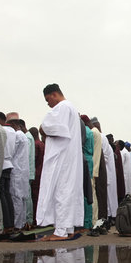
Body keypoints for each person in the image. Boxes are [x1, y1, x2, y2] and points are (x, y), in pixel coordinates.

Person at [37, 83, 84, 241]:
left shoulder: (62, 107)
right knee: (68, 191)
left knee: (61, 191)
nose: (48, 103)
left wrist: (42, 129)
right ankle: (68, 228)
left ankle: (61, 231)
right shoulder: (71, 108)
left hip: (63, 158)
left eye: (47, 99)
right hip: (69, 157)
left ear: (54, 95)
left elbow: (53, 128)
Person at [7, 116, 30, 230]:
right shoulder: (24, 136)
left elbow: (11, 152)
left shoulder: (17, 136)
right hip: (23, 170)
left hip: (17, 169)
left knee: (16, 198)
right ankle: (22, 223)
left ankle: (17, 224)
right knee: (22, 198)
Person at [0, 112, 16, 234]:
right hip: (9, 163)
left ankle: (7, 225)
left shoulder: (1, 130)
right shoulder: (12, 131)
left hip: (2, 163)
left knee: (2, 195)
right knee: (7, 195)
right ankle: (10, 223)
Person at [29, 126, 45, 219]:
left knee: (35, 197)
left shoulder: (35, 145)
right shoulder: (42, 144)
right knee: (40, 196)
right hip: (42, 172)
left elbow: (33, 159)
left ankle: (36, 218)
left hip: (36, 172)